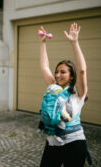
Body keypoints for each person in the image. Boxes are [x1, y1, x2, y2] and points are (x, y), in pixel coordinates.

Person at [38, 23, 91, 166]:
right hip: (53, 142)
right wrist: (42, 43)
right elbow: (44, 66)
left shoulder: (78, 92)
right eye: (57, 71)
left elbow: (82, 70)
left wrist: (74, 42)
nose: (57, 75)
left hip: (74, 142)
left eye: (62, 72)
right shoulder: (54, 87)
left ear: (71, 76)